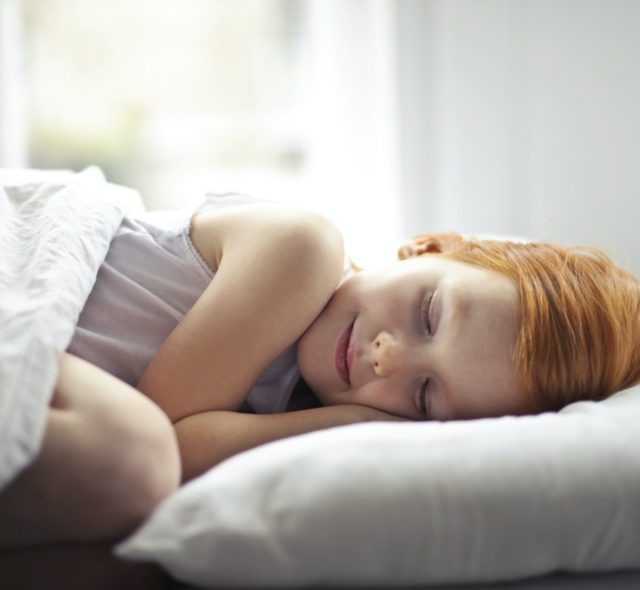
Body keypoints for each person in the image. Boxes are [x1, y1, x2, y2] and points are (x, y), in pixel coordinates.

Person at [1, 192, 639, 589]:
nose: (389, 357)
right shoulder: (302, 249)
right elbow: (177, 438)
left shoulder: (287, 406)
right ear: (431, 248)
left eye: (424, 396)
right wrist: (367, 424)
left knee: (125, 570)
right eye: (431, 313)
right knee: (129, 459)